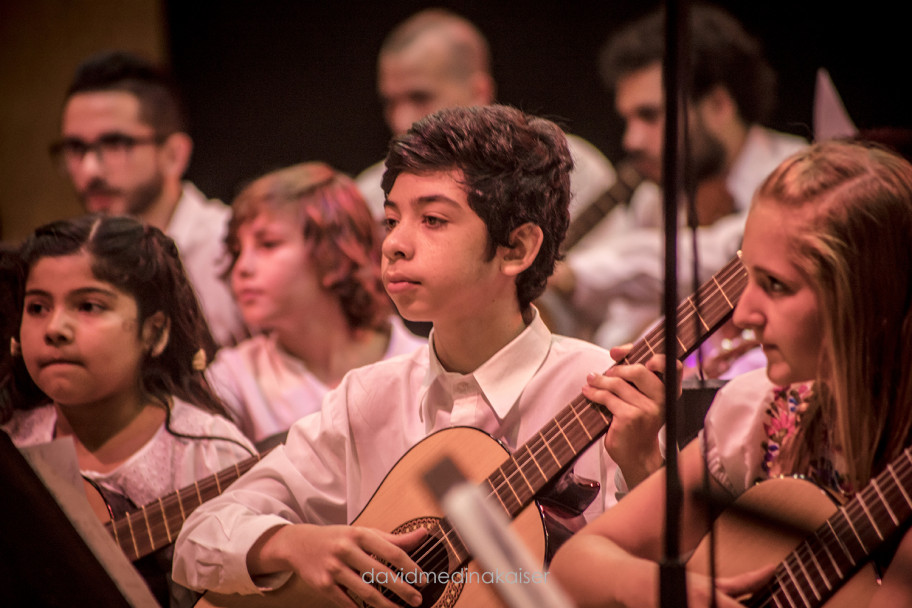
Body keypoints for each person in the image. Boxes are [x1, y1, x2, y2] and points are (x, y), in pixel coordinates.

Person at [172, 104, 670, 606]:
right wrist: (291, 543)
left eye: (432, 220)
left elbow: (658, 582)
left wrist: (645, 466)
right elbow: (199, 539)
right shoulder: (366, 398)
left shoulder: (601, 391)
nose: (393, 245)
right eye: (391, 219)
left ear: (516, 249)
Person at [549, 139, 912, 606]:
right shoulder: (763, 412)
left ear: (871, 298)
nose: (743, 313)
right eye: (750, 278)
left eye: (776, 286)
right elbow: (578, 561)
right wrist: (669, 591)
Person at [1, 214, 256, 607]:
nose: (55, 328)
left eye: (88, 305)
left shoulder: (211, 457)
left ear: (154, 332)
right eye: (37, 307)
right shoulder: (13, 447)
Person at [549, 3, 808, 351]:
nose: (631, 141)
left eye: (650, 116)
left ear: (718, 104)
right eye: (628, 119)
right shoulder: (654, 197)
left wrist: (575, 274)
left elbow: (726, 253)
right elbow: (624, 314)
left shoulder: (799, 173)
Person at [205, 162, 426, 444]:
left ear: (333, 254)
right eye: (237, 250)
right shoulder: (232, 379)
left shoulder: (427, 364)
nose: (242, 268)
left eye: (268, 244)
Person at [50, 50, 246, 347]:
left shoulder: (233, 247)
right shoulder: (68, 261)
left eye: (115, 143)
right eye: (76, 148)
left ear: (174, 155)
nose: (90, 169)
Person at [355, 8, 615, 222]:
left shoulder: (569, 168)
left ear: (480, 93)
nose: (401, 121)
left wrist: (572, 277)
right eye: (390, 102)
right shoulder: (367, 197)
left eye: (420, 97)